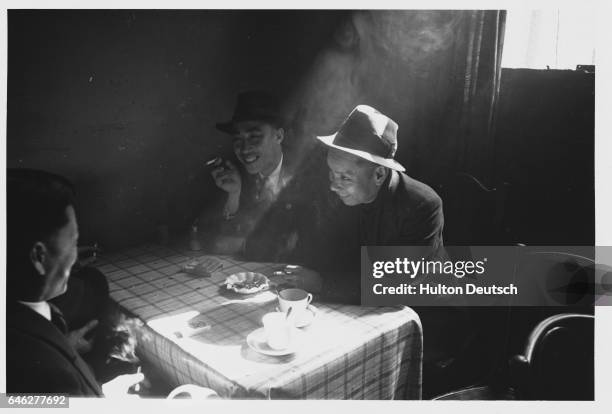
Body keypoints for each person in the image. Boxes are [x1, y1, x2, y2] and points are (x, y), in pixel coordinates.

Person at [6, 169, 143, 397]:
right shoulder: (44, 372)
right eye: (73, 242)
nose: (75, 258)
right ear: (39, 257)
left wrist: (64, 346)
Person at [198, 91, 309, 261]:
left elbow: (296, 244)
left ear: (278, 136)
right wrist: (233, 196)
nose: (244, 149)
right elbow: (211, 240)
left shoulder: (303, 173)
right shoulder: (231, 173)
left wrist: (243, 245)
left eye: (254, 137)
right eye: (237, 139)